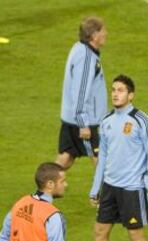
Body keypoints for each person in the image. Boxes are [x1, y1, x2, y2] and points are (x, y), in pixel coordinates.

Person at [73, 75, 148, 241]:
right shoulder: (107, 121)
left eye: (121, 90)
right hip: (110, 188)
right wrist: (96, 188)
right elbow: (103, 158)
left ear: (131, 95)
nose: (115, 93)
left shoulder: (143, 121)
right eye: (113, 89)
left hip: (133, 188)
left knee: (135, 234)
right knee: (100, 230)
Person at [56, 17, 108, 170]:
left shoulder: (79, 49)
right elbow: (80, 91)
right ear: (93, 35)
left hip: (73, 117)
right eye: (103, 30)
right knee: (102, 161)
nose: (106, 34)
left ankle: (43, 190)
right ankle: (108, 194)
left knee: (66, 158)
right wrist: (83, 123)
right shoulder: (86, 58)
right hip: (85, 120)